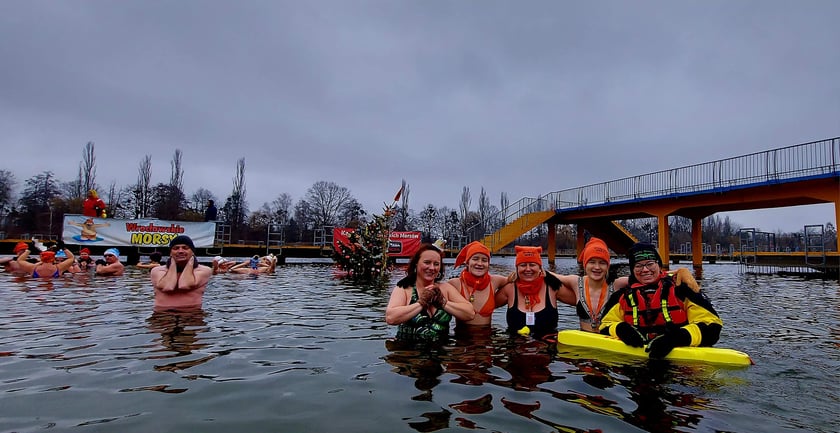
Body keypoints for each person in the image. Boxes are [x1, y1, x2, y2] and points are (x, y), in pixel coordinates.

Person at [599, 242, 723, 359]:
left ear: (658, 264)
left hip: (682, 361)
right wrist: (621, 329)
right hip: (637, 360)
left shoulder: (683, 290)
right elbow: (605, 325)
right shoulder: (621, 297)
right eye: (638, 266)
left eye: (650, 264)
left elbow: (712, 327)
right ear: (632, 270)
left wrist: (676, 338)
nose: (645, 270)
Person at [385, 243, 475, 343]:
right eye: (427, 262)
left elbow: (470, 313)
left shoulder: (446, 288)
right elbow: (391, 318)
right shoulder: (404, 288)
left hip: (441, 350)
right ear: (416, 264)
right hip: (409, 352)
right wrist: (421, 302)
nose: (432, 268)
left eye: (436, 264)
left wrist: (443, 302)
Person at [494, 246, 575, 342]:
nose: (528, 269)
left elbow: (582, 303)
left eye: (532, 265)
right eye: (523, 265)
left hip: (546, 350)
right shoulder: (509, 289)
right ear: (517, 268)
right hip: (516, 351)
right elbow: (485, 307)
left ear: (540, 267)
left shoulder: (552, 288)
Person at [550, 237, 617, 333]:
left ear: (607, 266)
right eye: (592, 262)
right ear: (585, 265)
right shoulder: (576, 282)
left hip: (608, 341)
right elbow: (549, 276)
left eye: (602, 263)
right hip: (583, 339)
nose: (597, 267)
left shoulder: (617, 284)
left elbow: (640, 277)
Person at [446, 241, 508, 327]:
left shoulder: (495, 281)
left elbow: (516, 280)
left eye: (484, 260)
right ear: (467, 262)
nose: (480, 263)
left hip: (487, 336)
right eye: (475, 259)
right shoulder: (455, 283)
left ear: (488, 264)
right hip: (462, 337)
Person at [151, 235, 212, 311]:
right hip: (162, 315)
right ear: (170, 253)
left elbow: (184, 285)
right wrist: (173, 265)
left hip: (192, 314)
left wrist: (190, 263)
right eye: (176, 248)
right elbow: (168, 287)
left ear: (192, 252)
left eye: (185, 248)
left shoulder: (203, 270)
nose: (180, 251)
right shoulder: (157, 270)